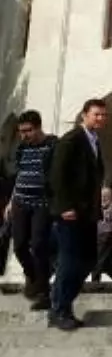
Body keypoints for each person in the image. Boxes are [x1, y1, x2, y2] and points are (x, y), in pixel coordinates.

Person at [48, 98, 108, 331]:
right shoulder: (72, 139)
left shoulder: (95, 141)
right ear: (84, 115)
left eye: (104, 115)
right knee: (70, 261)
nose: (101, 119)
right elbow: (57, 174)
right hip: (70, 213)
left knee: (88, 260)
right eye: (96, 115)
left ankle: (62, 303)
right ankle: (59, 309)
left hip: (87, 213)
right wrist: (64, 206)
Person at [7, 109, 57, 310]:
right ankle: (35, 276)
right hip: (20, 202)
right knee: (19, 246)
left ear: (38, 128)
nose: (24, 135)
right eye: (21, 131)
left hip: (42, 204)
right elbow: (19, 175)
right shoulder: (22, 148)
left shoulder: (53, 145)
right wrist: (11, 201)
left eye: (27, 131)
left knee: (38, 245)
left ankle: (44, 293)